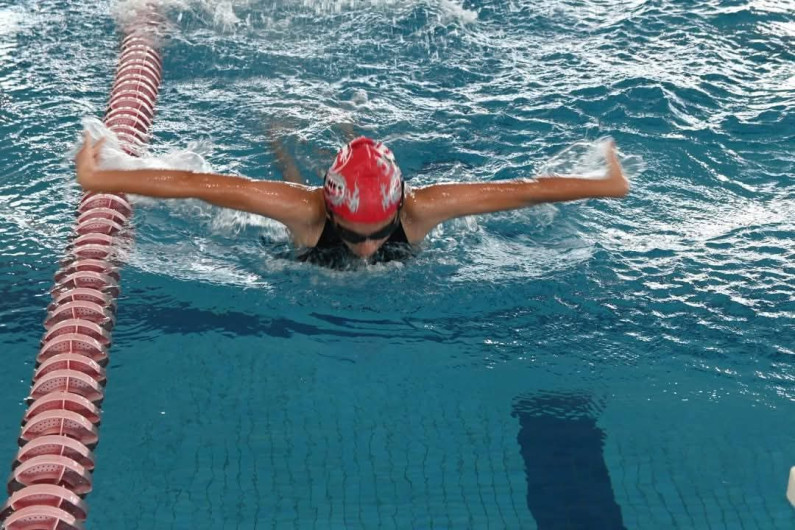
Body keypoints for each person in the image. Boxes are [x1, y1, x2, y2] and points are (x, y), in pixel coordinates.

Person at [75, 133, 629, 267]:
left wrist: (607, 185)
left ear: (399, 206)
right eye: (356, 234)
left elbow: (524, 193)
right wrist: (104, 178)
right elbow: (200, 184)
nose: (366, 250)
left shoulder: (425, 207)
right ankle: (280, 132)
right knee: (286, 167)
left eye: (379, 233)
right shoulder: (303, 207)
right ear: (333, 208)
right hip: (297, 226)